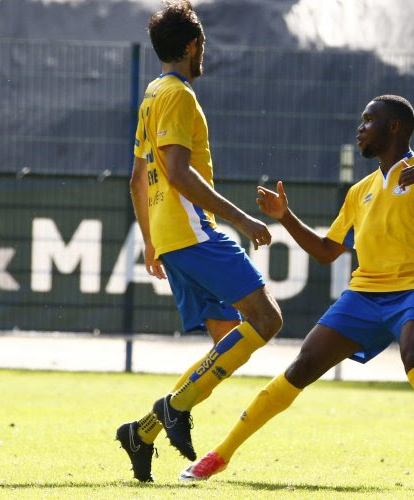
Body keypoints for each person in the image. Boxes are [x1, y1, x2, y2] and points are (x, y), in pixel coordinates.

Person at [179, 95, 414, 490]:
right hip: (364, 294)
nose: (360, 127)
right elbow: (327, 252)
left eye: (368, 120)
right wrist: (285, 216)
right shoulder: (361, 190)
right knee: (301, 367)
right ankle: (219, 456)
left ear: (394, 126)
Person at [115, 0, 283, 482]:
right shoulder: (178, 96)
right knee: (267, 318)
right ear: (192, 46)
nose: (203, 51)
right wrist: (244, 222)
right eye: (202, 44)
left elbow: (136, 179)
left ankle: (143, 431)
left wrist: (151, 241)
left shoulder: (151, 95)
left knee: (227, 342)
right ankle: (172, 408)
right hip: (193, 230)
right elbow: (176, 173)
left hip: (171, 236)